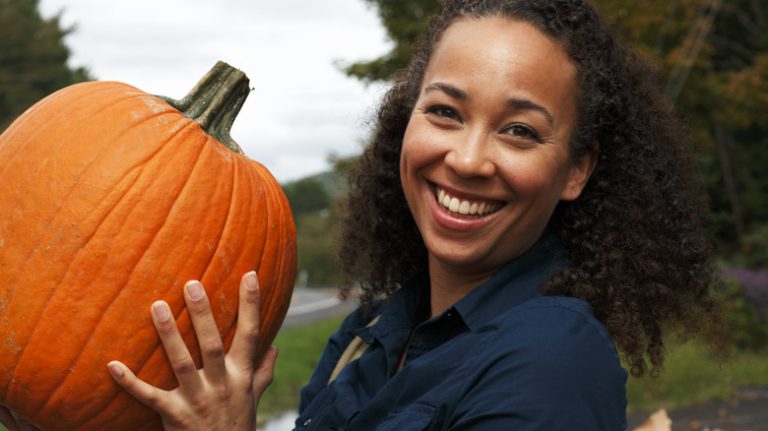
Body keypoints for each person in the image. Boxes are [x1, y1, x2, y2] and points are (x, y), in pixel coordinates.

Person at [0, 0, 722, 430]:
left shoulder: (549, 365)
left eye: (520, 130)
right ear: (405, 125)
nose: (468, 158)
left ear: (577, 169)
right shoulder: (377, 329)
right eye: (444, 112)